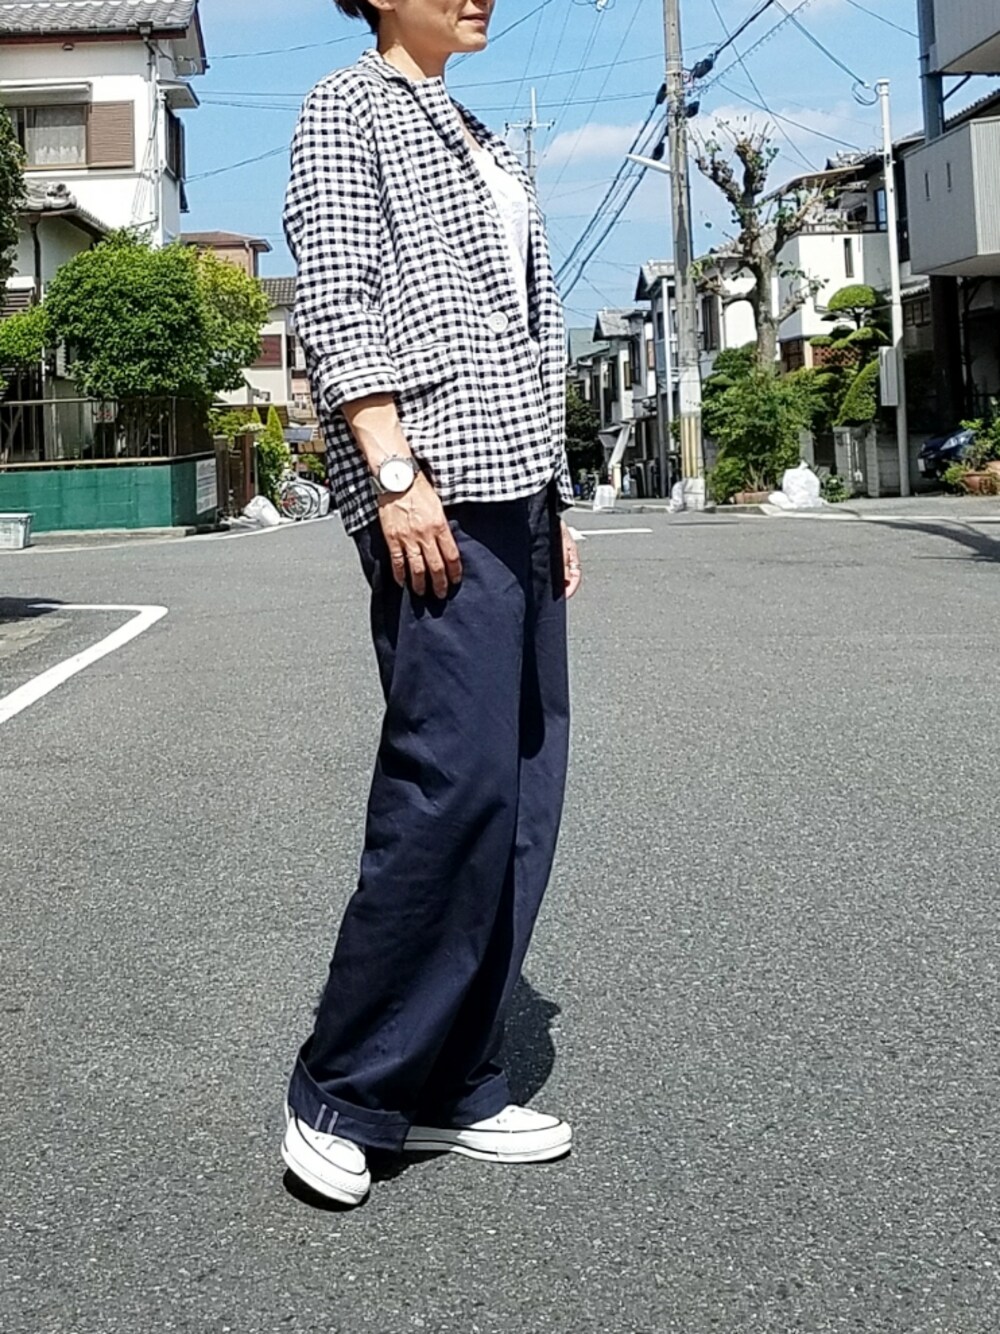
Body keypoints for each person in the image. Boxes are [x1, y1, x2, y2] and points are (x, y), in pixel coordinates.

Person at [280, 0, 582, 1209]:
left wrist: (556, 504)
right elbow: (336, 296)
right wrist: (395, 473)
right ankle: (343, 1085)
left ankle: (453, 1073)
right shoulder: (346, 104)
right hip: (436, 483)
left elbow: (528, 330)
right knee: (448, 778)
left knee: (520, 785)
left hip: (518, 491)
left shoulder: (476, 132)